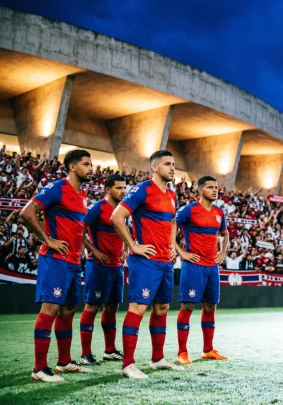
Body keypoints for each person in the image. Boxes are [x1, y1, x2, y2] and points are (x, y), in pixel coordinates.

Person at [21, 149, 94, 382]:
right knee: (50, 309)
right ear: (73, 167)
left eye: (91, 164)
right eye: (86, 164)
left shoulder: (82, 194)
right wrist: (48, 239)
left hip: (74, 261)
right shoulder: (57, 188)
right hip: (55, 259)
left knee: (68, 309)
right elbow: (26, 212)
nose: (91, 168)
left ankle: (64, 362)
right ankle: (39, 369)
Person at [111, 150, 184, 379]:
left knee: (162, 308)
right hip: (145, 261)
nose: (172, 168)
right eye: (167, 164)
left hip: (165, 261)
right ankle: (128, 364)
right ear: (154, 167)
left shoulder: (172, 195)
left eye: (174, 164)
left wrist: (172, 244)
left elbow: (173, 220)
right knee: (138, 308)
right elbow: (116, 217)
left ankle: (158, 359)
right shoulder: (142, 190)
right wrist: (133, 245)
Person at [173, 176, 229, 365]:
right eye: (210, 187)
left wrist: (222, 252)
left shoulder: (219, 212)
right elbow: (171, 226)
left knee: (210, 306)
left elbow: (225, 233)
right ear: (200, 190)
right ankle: (182, 352)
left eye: (216, 187)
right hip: (193, 266)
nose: (215, 190)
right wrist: (181, 252)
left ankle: (208, 350)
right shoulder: (188, 210)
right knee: (188, 307)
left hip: (211, 267)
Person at [79, 174, 127, 366]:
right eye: (118, 188)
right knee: (92, 306)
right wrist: (94, 251)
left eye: (124, 188)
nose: (123, 191)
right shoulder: (97, 208)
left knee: (112, 307)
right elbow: (80, 229)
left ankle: (110, 350)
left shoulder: (123, 210)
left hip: (117, 266)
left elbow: (125, 231)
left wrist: (127, 248)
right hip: (98, 266)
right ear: (108, 189)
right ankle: (85, 354)